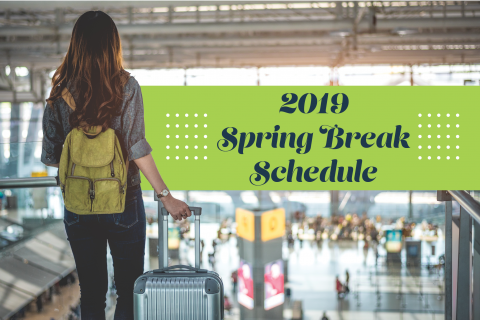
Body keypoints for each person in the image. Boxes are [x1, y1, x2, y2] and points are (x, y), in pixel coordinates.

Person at [41, 11, 191, 319]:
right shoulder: (126, 87)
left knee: (92, 295)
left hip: (79, 206)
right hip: (123, 201)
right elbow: (137, 148)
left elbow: (54, 157)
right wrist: (167, 197)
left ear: (76, 44)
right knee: (128, 291)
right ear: (113, 45)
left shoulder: (59, 93)